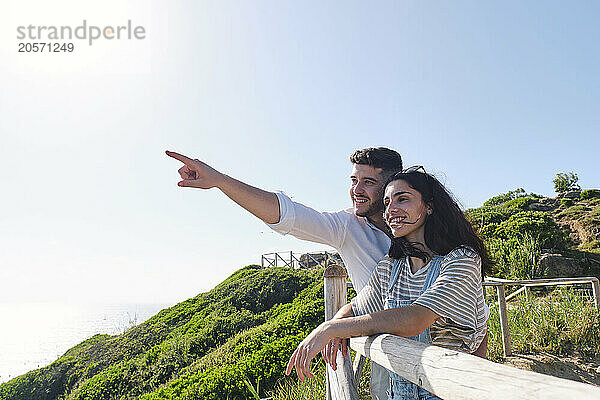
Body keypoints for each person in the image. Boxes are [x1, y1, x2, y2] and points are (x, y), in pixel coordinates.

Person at [166, 147, 403, 399]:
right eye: (354, 180)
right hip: (390, 359)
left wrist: (341, 318)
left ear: (391, 186)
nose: (356, 190)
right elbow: (289, 216)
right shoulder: (347, 226)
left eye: (368, 182)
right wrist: (220, 181)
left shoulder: (422, 223)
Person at [285, 168, 491, 400]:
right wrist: (337, 321)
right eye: (386, 203)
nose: (391, 209)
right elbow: (358, 308)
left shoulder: (462, 258)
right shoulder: (391, 266)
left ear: (429, 206)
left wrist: (330, 329)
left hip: (450, 392)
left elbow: (416, 319)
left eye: (402, 199)